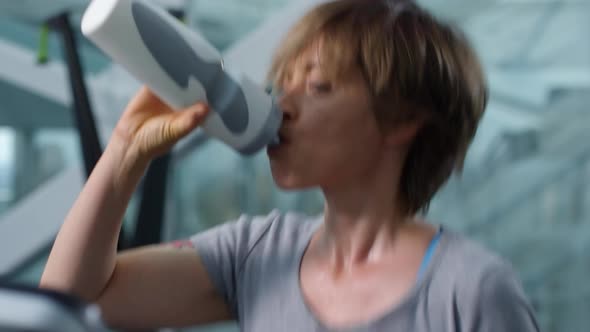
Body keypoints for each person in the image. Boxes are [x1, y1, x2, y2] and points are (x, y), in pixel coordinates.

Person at [39, 0, 540, 331]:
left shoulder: (471, 290)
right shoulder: (256, 253)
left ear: (402, 120)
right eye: (284, 83)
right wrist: (126, 151)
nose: (282, 105)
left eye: (318, 86)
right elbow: (70, 299)